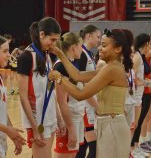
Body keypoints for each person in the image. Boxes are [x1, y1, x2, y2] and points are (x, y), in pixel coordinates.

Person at [49, 28, 133, 158]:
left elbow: (80, 95)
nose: (99, 47)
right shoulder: (109, 67)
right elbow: (77, 76)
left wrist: (59, 78)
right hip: (108, 123)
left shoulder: (112, 69)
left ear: (118, 49)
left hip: (112, 125)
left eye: (104, 45)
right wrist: (60, 54)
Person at [17, 17, 62, 158]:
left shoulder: (47, 55)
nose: (54, 44)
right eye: (52, 40)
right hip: (37, 120)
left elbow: (50, 90)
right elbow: (23, 95)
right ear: (42, 34)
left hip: (50, 116)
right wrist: (35, 127)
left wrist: (59, 118)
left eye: (56, 40)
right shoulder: (26, 56)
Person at [53, 32, 86, 158]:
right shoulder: (61, 66)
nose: (82, 50)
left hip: (76, 117)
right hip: (68, 120)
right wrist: (70, 128)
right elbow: (62, 101)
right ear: (73, 47)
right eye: (80, 46)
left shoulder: (71, 63)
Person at [74, 24, 101, 158]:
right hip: (85, 106)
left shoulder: (88, 54)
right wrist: (97, 106)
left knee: (83, 147)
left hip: (89, 104)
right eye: (98, 37)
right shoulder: (82, 54)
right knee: (93, 148)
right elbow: (82, 85)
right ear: (89, 35)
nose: (99, 40)